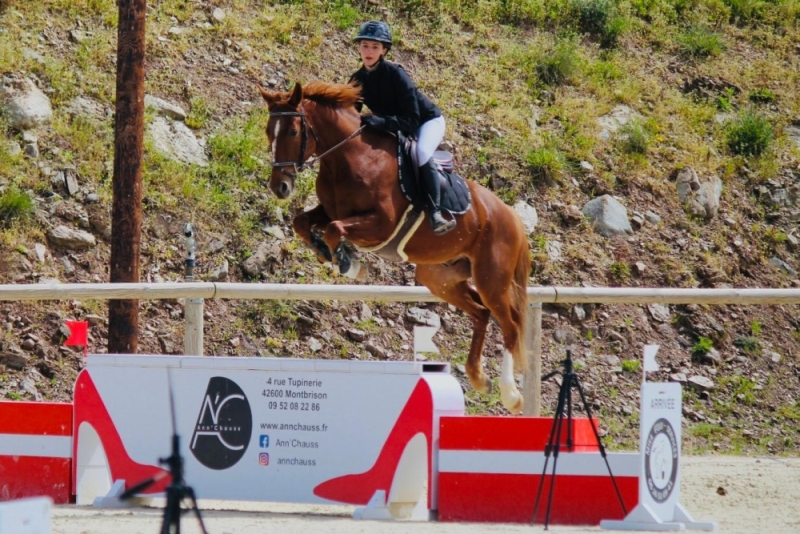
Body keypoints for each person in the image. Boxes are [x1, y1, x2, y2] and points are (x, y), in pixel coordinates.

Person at [349, 20, 456, 236]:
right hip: (398, 126)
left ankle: (436, 212)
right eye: (365, 46)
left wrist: (381, 122)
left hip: (425, 122)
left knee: (421, 151)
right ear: (359, 47)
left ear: (384, 50)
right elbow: (350, 116)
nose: (369, 51)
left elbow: (412, 120)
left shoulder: (396, 74)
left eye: (375, 47)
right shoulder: (357, 79)